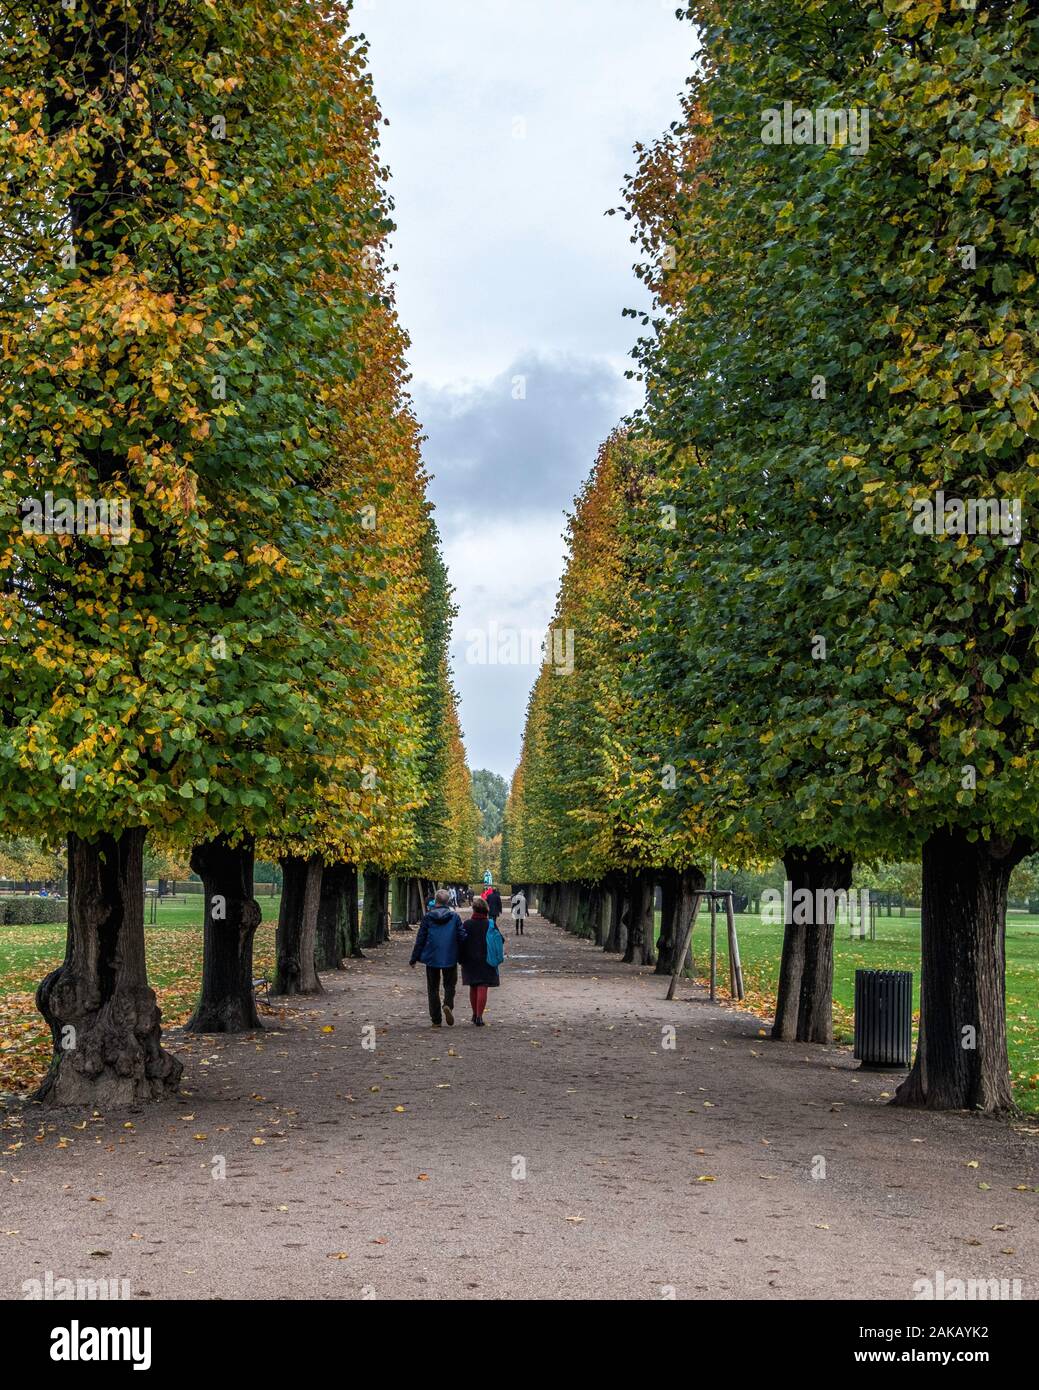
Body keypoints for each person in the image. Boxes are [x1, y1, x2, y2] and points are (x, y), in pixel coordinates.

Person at [409, 888, 467, 1028]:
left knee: (433, 988)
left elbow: (421, 938)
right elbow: (462, 937)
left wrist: (414, 958)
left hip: (432, 955)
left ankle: (436, 1020)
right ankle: (447, 1004)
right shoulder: (454, 917)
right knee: (449, 985)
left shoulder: (428, 917)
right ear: (448, 901)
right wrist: (463, 955)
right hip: (450, 955)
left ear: (436, 901)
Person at [458, 897, 502, 1026]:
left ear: (474, 909)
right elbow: (500, 940)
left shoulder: (466, 924)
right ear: (486, 910)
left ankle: (474, 1013)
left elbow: (461, 941)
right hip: (487, 958)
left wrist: (460, 958)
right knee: (483, 986)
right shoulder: (491, 924)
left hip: (469, 959)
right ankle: (479, 1016)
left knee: (473, 986)